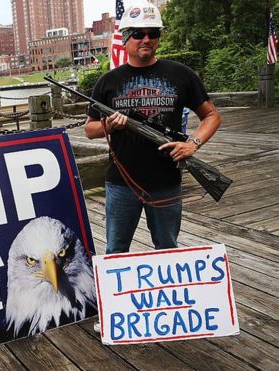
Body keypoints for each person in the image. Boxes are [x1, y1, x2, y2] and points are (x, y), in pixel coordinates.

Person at [84, 1, 221, 332]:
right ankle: (115, 316)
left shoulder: (181, 75)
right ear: (126, 38)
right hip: (122, 183)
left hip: (166, 181)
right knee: (117, 250)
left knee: (167, 249)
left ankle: (170, 316)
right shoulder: (108, 81)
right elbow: (89, 128)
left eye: (153, 33)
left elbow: (212, 116)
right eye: (139, 34)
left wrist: (194, 144)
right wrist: (111, 127)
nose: (146, 39)